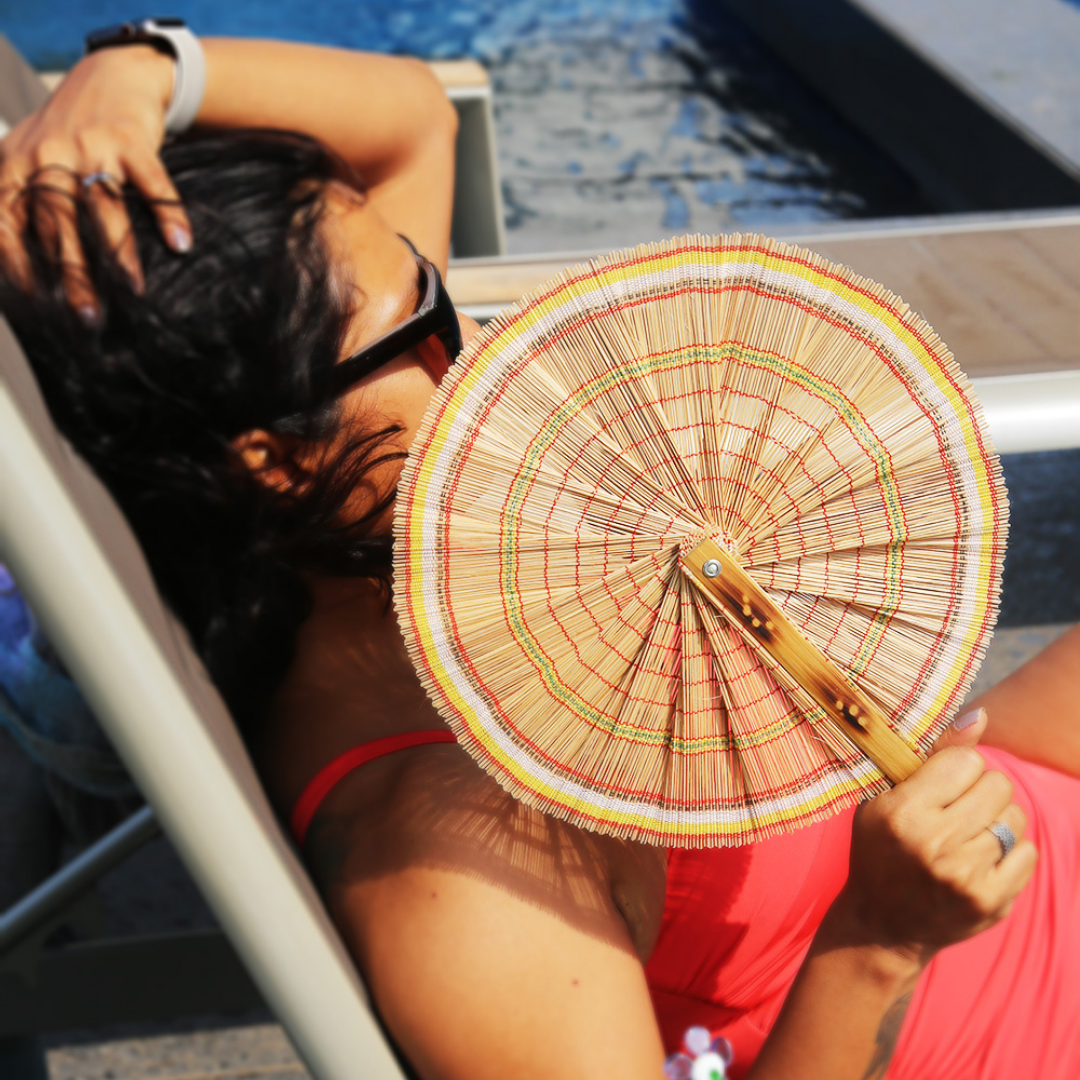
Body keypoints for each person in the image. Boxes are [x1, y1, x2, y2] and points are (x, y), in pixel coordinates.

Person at [1, 32, 1076, 1080]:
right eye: (418, 322)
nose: (464, 337)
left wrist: (136, 72)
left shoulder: (383, 536)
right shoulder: (447, 859)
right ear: (273, 461)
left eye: (433, 281)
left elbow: (414, 120)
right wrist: (878, 941)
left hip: (1006, 801)